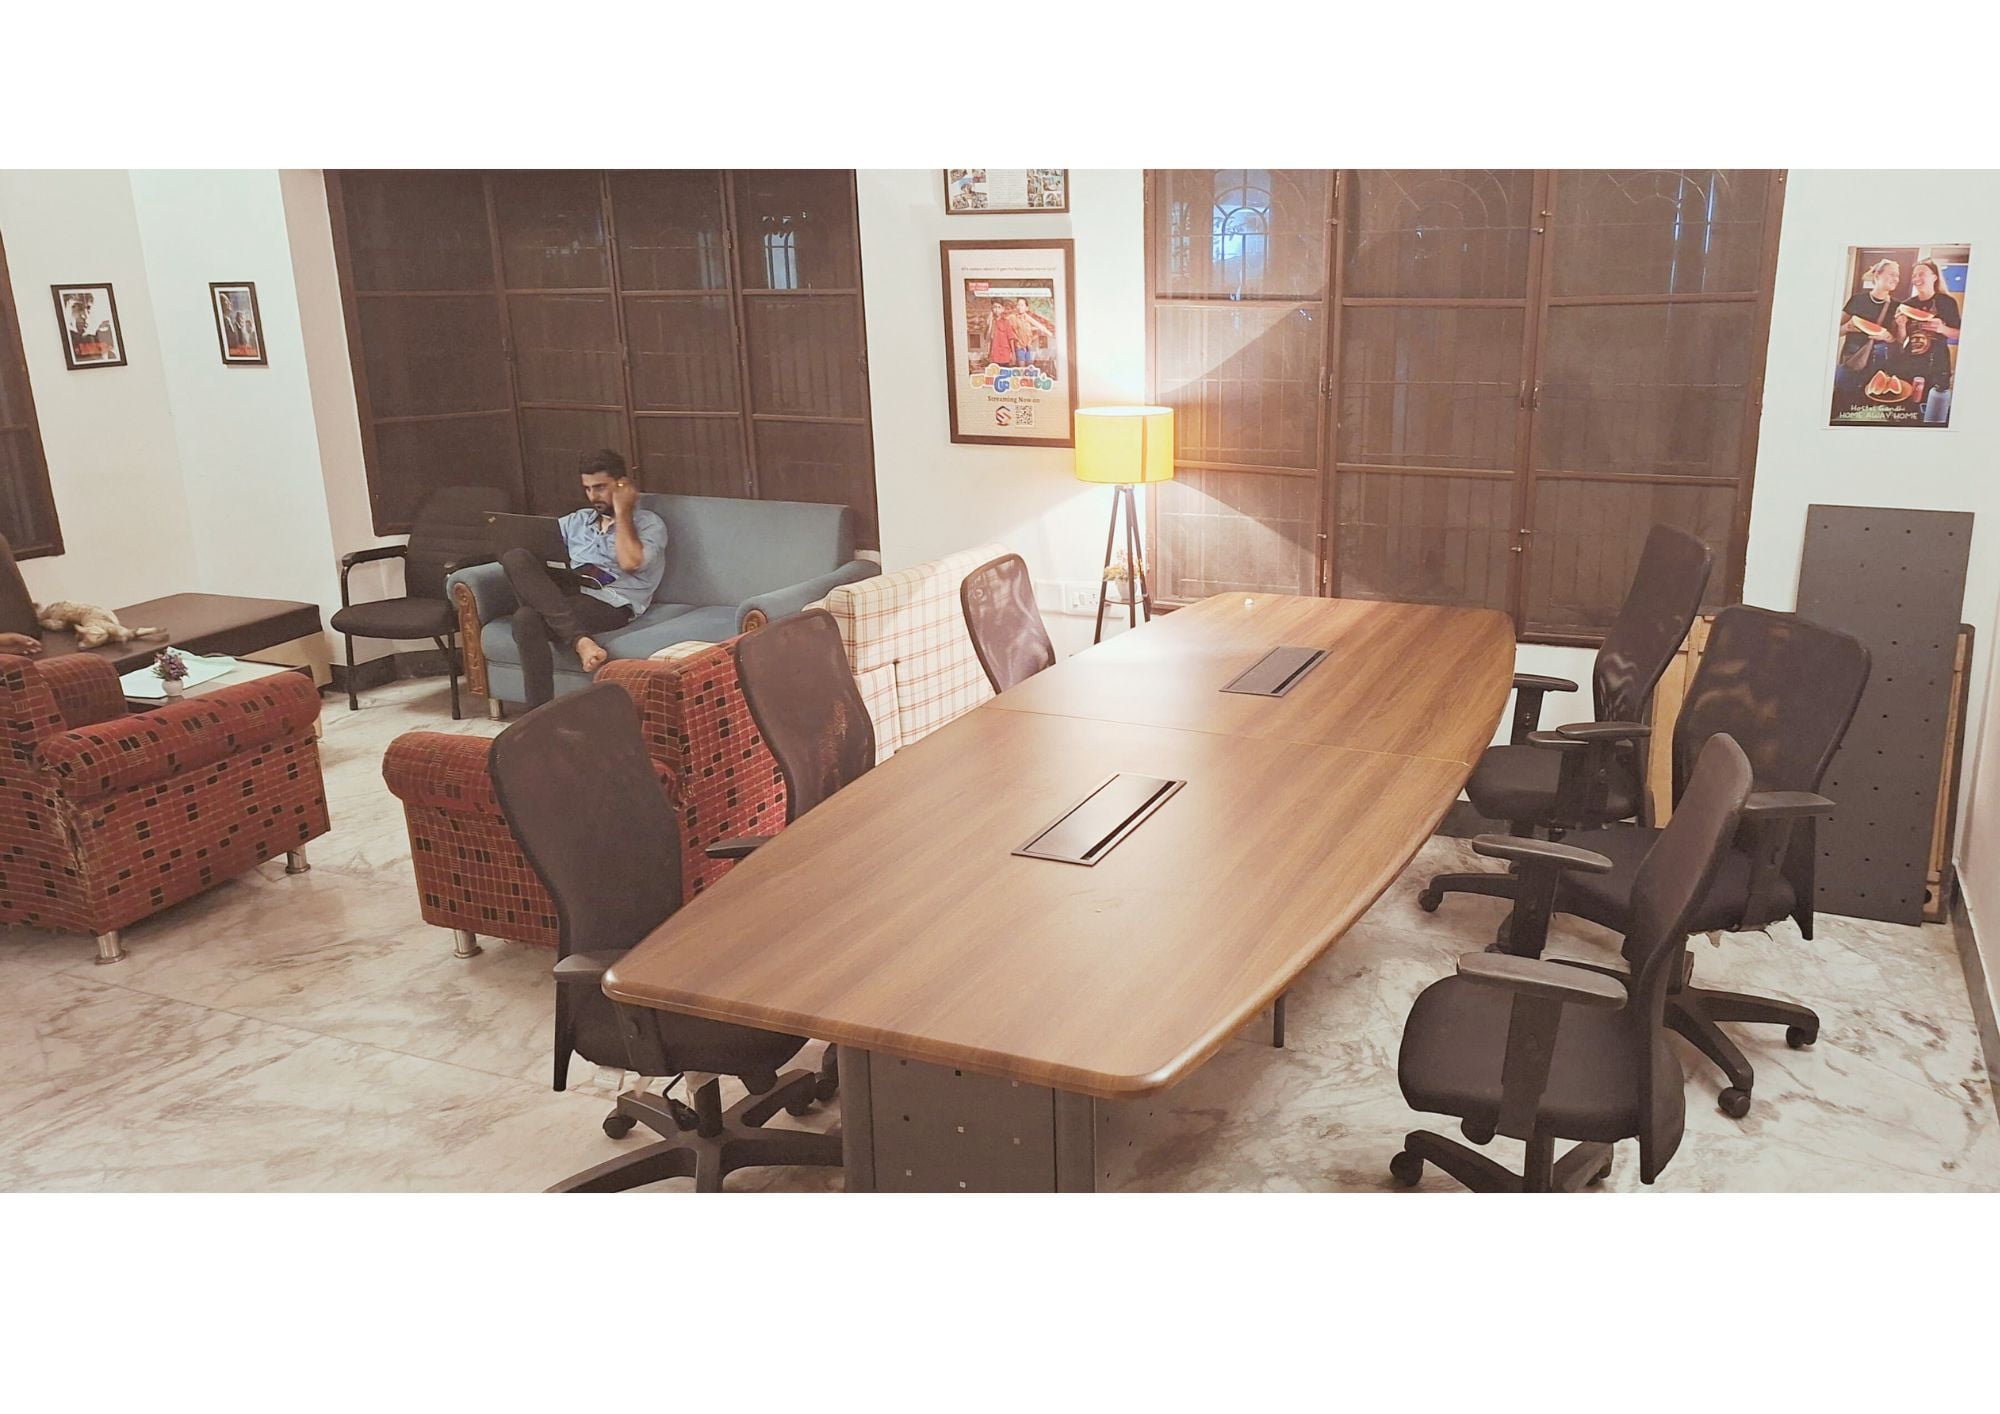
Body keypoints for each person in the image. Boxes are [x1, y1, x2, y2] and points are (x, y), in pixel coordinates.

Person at [499, 449, 668, 708]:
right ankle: (580, 642)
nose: (593, 496)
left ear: (622, 484)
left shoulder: (649, 524)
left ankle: (538, 713)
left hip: (611, 603)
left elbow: (630, 562)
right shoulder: (576, 521)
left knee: (526, 619)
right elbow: (538, 551)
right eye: (588, 489)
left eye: (600, 488)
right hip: (569, 594)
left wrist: (622, 512)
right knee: (515, 557)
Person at [1897, 258, 1962, 425]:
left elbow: (1959, 334)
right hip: (1910, 364)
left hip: (1938, 364)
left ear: (1934, 277)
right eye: (1914, 275)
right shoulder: (1907, 304)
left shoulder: (1947, 302)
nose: (1916, 278)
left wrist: (1942, 329)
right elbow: (1901, 340)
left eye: (1921, 274)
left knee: (1932, 411)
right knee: (1909, 410)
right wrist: (1901, 326)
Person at [1833, 257, 1901, 408]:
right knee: (1842, 401)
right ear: (1877, 275)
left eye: (1897, 275)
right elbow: (1833, 331)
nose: (1896, 279)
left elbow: (1898, 340)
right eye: (1892, 274)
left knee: (1869, 406)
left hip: (1879, 361)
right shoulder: (1857, 300)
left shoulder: (1897, 306)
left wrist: (1888, 337)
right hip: (1852, 358)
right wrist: (1846, 328)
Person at [984, 299, 1017, 369]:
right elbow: (987, 338)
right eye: (995, 307)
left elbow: (1011, 338)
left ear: (1002, 309)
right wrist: (989, 323)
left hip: (1005, 355)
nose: (997, 310)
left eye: (999, 307)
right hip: (994, 356)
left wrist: (1013, 354)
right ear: (992, 309)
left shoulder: (1006, 322)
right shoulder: (990, 322)